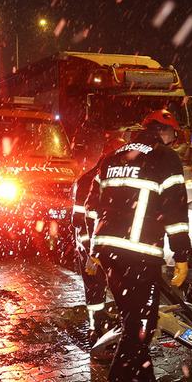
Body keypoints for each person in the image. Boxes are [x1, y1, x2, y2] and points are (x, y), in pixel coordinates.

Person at [85, 110, 191, 382]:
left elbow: (91, 207)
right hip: (139, 255)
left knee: (134, 322)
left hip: (108, 253)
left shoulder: (112, 156)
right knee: (139, 329)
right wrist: (182, 254)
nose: (173, 141)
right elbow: (175, 211)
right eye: (173, 135)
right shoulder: (164, 157)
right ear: (164, 132)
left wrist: (95, 250)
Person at [72, 136, 126, 343]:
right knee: (96, 288)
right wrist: (89, 252)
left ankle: (106, 327)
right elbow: (79, 221)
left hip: (104, 245)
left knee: (102, 287)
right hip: (92, 246)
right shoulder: (88, 181)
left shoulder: (105, 178)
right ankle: (96, 329)